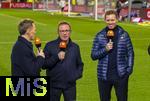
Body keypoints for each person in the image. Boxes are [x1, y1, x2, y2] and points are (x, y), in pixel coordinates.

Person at [91, 10, 134, 101]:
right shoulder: (99, 36)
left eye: (112, 20)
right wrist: (105, 49)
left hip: (121, 75)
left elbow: (130, 53)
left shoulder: (124, 35)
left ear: (117, 19)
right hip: (104, 76)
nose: (110, 22)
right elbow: (93, 55)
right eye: (108, 20)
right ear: (105, 20)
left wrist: (129, 70)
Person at [43, 21, 84, 101]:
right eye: (62, 31)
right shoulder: (50, 45)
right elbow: (44, 65)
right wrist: (56, 57)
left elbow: (80, 64)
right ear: (58, 32)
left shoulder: (75, 47)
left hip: (70, 86)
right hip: (53, 85)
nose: (64, 33)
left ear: (70, 32)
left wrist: (76, 75)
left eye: (67, 31)